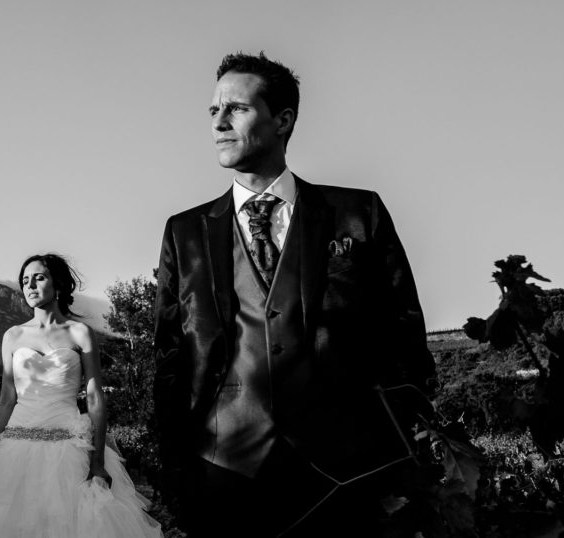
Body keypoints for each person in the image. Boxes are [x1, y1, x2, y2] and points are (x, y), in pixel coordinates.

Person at [153, 51, 435, 537]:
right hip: (222, 474)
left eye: (236, 109)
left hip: (344, 477)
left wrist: (395, 459)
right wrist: (178, 468)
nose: (219, 122)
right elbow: (170, 357)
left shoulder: (356, 214)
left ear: (282, 120)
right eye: (213, 111)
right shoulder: (185, 233)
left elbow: (404, 339)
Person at [0, 254, 162, 538]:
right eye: (25, 280)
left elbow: (95, 397)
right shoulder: (13, 336)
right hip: (15, 447)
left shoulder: (80, 333)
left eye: (39, 278)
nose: (30, 285)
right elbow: (6, 399)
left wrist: (98, 460)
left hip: (68, 447)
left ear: (59, 285)